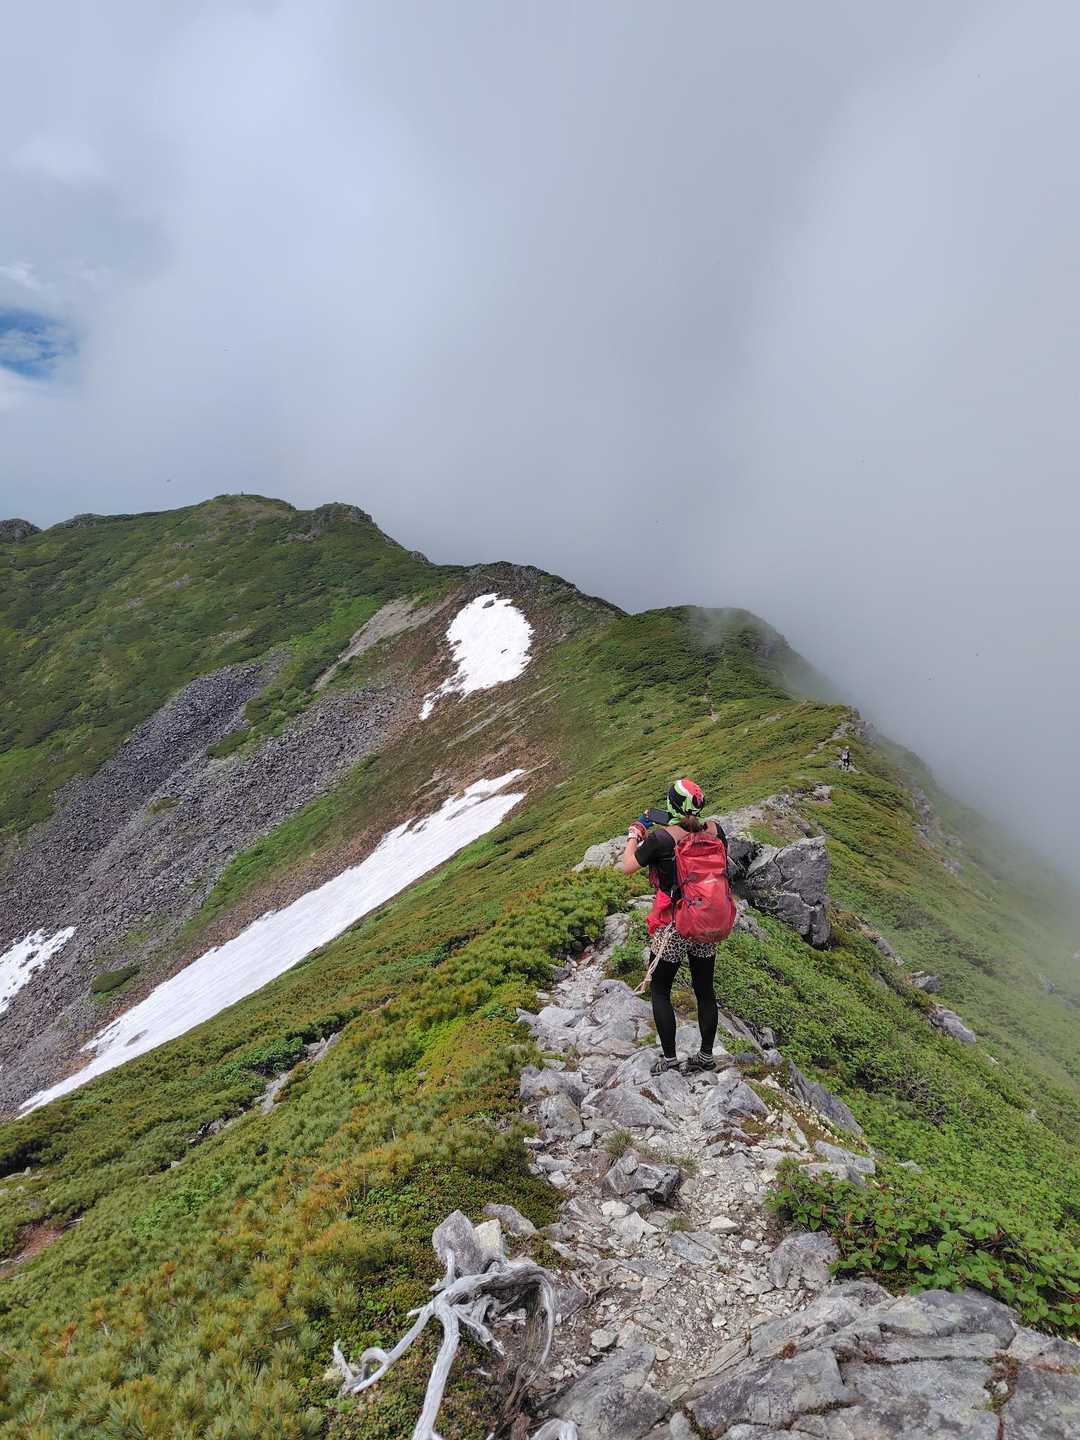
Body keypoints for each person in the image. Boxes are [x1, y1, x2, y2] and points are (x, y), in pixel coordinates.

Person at [620, 778, 726, 1075]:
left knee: (660, 989)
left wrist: (634, 834)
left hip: (675, 925)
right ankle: (706, 1057)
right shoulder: (716, 830)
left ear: (672, 806)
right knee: (704, 989)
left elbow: (627, 866)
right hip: (706, 919)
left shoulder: (660, 839)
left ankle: (669, 1061)